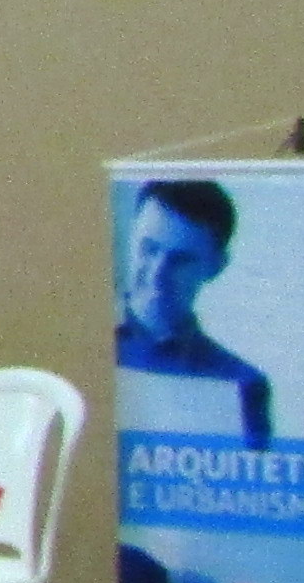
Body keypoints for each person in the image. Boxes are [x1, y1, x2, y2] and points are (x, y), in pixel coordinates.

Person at [114, 178, 273, 445]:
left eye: (181, 260)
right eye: (148, 249)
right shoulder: (84, 347)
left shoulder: (241, 384)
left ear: (216, 266)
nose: (157, 274)